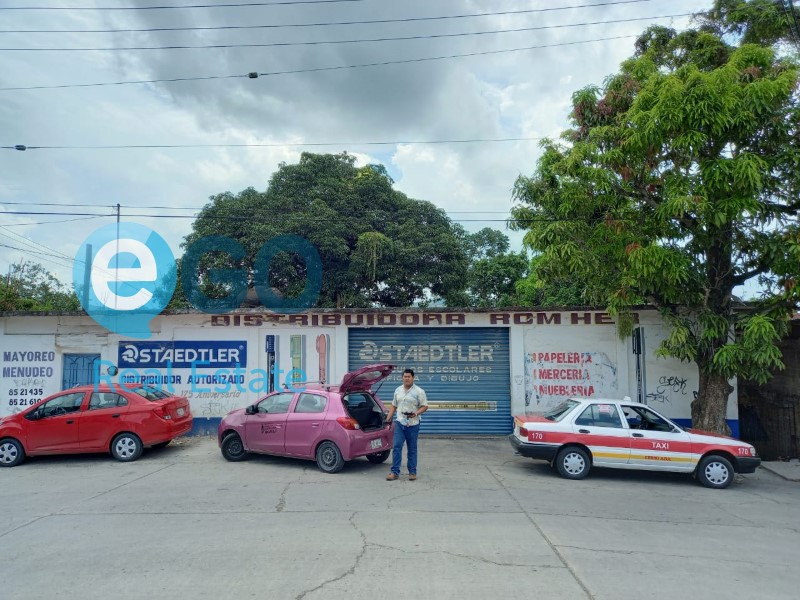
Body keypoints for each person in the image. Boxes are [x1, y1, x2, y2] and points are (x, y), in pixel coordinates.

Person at [385, 368, 428, 481]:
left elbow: (424, 406)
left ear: (413, 378)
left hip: (413, 424)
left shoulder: (419, 391)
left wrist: (416, 413)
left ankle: (412, 472)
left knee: (412, 449)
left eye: (409, 376)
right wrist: (388, 419)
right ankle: (395, 472)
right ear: (402, 378)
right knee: (397, 447)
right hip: (399, 423)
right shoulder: (398, 390)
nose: (407, 378)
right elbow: (394, 406)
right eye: (405, 376)